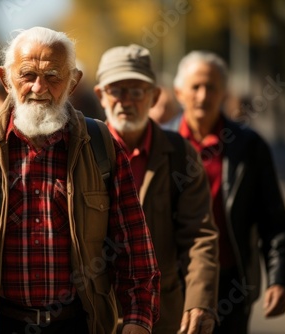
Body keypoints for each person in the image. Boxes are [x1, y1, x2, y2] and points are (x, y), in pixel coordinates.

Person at [0, 26, 160, 334]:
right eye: (27, 75)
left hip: (77, 324)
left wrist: (138, 320)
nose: (39, 87)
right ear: (6, 80)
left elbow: (134, 245)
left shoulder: (101, 145)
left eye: (54, 76)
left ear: (73, 82)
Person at [93, 44, 219, 334]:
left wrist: (199, 301)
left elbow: (199, 235)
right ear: (100, 95)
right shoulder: (83, 150)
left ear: (155, 96)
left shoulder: (180, 155)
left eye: (136, 91)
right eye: (116, 90)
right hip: (97, 314)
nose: (125, 101)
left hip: (162, 314)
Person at [173, 50, 285, 334]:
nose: (203, 95)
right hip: (172, 285)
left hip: (231, 284)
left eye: (211, 87)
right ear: (179, 92)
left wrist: (279, 278)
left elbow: (273, 220)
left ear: (223, 92)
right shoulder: (164, 145)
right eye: (195, 87)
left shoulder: (248, 146)